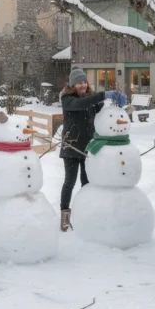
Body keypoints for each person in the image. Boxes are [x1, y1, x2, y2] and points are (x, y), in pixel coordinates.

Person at [58, 66, 124, 232]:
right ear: (72, 85)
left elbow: (102, 115)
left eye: (84, 82)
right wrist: (102, 95)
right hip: (72, 146)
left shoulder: (91, 99)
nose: (83, 85)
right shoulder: (68, 99)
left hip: (88, 148)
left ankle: (84, 213)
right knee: (69, 182)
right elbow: (80, 104)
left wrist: (117, 106)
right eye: (79, 83)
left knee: (87, 183)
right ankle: (64, 218)